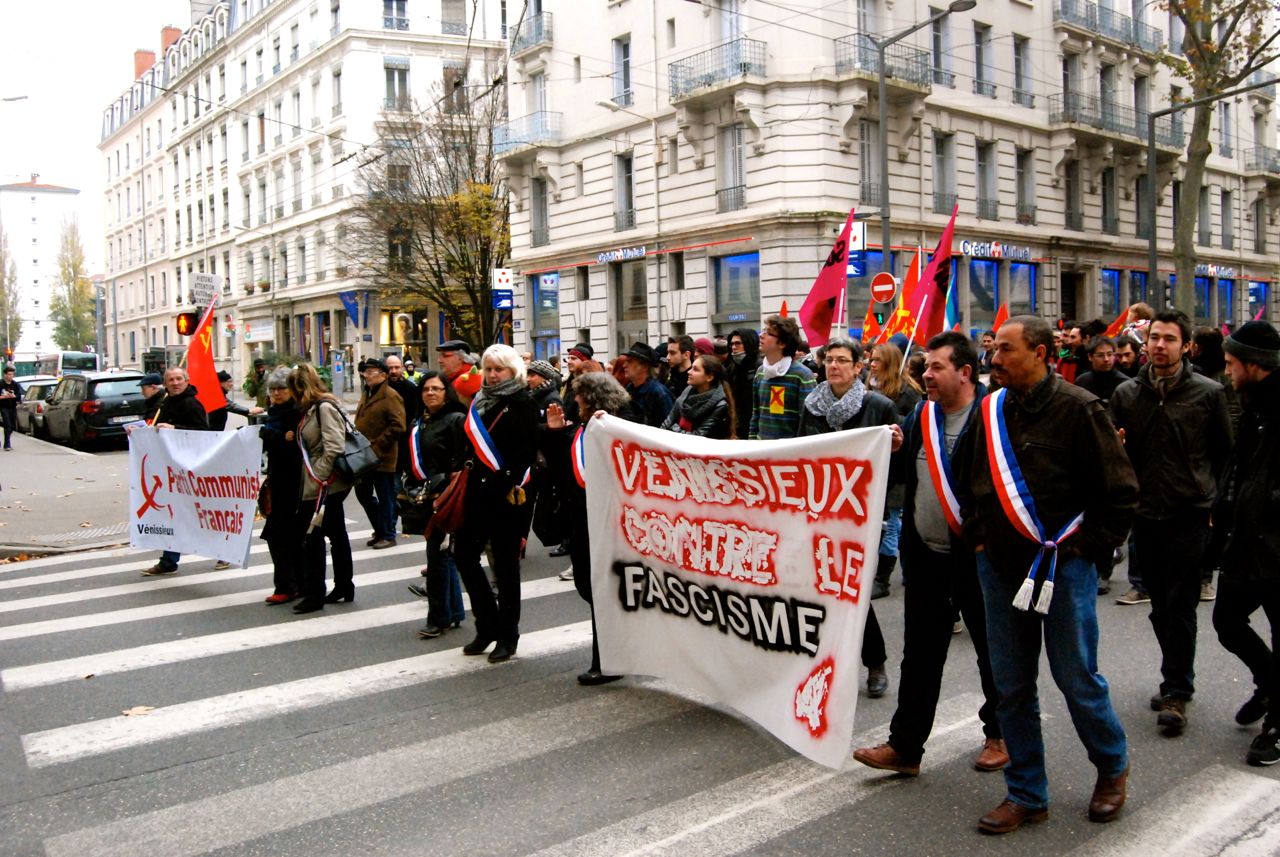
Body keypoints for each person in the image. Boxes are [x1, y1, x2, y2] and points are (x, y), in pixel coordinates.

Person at [963, 315, 1137, 834]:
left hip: (1064, 567)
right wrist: (979, 537)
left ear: (1040, 353)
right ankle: (1026, 794)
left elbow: (1120, 491)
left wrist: (1085, 549)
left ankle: (1111, 766)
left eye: (1006, 351)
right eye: (993, 350)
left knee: (1076, 678)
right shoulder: (991, 410)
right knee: (1011, 686)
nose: (994, 360)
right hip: (1000, 568)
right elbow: (970, 478)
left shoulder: (1079, 408)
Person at [853, 331, 1008, 778]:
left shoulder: (995, 414)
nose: (926, 374)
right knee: (920, 655)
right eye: (923, 366)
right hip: (925, 556)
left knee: (991, 652)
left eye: (936, 367)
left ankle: (1000, 735)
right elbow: (909, 478)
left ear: (965, 371)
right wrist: (895, 451)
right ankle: (906, 747)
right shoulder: (922, 413)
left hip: (979, 559)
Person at [1109, 310, 1232, 735]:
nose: (1160, 345)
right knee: (1160, 606)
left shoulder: (1208, 393)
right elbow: (1112, 450)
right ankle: (1174, 677)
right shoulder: (1127, 394)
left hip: (1189, 512)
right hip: (1145, 514)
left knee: (1180, 605)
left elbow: (1223, 453)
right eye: (1155, 338)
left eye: (1169, 339)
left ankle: (1177, 690)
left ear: (1186, 347)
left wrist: (1214, 500)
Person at [797, 337, 903, 699]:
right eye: (829, 360)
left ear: (859, 367)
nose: (833, 366)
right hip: (819, 510)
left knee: (852, 588)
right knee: (818, 589)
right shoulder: (810, 406)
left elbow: (899, 466)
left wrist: (895, 446)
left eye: (842, 360)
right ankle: (822, 662)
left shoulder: (879, 407)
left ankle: (875, 662)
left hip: (861, 514)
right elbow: (798, 456)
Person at [1210, 321, 1280, 765]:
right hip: (1244, 540)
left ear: (1254, 366)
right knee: (1227, 621)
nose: (1227, 371)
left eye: (1232, 363)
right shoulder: (1252, 403)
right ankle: (1271, 684)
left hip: (1276, 542)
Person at [545, 371, 633, 684]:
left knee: (600, 589)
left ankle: (606, 661)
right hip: (579, 519)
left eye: (580, 395)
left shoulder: (618, 424)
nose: (574, 401)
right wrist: (556, 434)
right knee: (587, 585)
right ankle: (613, 653)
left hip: (607, 521)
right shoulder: (582, 428)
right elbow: (562, 471)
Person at [454, 344, 539, 663]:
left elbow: (526, 453)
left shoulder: (522, 402)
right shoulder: (479, 400)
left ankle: (508, 635)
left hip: (505, 496)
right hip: (475, 493)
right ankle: (486, 624)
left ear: (512, 370)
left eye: (498, 369)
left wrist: (503, 481)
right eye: (488, 369)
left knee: (505, 569)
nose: (491, 374)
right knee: (463, 555)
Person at [406, 371, 468, 638]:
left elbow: (462, 459)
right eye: (426, 389)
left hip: (446, 496)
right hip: (426, 495)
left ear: (447, 392)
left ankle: (438, 618)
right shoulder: (421, 422)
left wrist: (447, 486)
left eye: (436, 389)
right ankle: (453, 612)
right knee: (442, 556)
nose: (430, 393)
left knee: (437, 556)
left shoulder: (455, 420)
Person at [290, 363, 354, 614]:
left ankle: (315, 593)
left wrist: (319, 476)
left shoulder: (324, 408)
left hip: (323, 484)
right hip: (324, 482)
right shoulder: (316, 408)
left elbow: (334, 446)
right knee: (336, 535)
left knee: (312, 537)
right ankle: (343, 586)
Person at [141, 367, 213, 577]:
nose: (175, 382)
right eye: (171, 379)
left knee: (197, 514)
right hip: (172, 468)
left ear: (187, 381)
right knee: (174, 513)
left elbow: (204, 434)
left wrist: (175, 429)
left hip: (190, 468)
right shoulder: (166, 403)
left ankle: (223, 552)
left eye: (179, 378)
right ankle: (168, 560)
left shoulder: (192, 404)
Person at [868, 342, 923, 600]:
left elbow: (913, 430)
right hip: (876, 468)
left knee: (890, 522)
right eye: (871, 359)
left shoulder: (907, 393)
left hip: (897, 469)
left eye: (877, 360)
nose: (871, 364)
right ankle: (911, 562)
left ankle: (883, 579)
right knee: (894, 522)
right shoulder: (869, 389)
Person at [257, 367, 303, 604]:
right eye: (272, 389)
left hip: (293, 483)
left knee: (281, 536)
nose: (276, 393)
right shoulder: (274, 413)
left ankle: (287, 585)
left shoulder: (296, 413)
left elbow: (295, 444)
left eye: (281, 388)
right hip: (279, 480)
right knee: (284, 536)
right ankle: (293, 583)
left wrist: (268, 435)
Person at [353, 358, 406, 549]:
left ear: (383, 376)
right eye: (365, 372)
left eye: (371, 372)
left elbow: (398, 426)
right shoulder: (367, 393)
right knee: (363, 494)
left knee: (385, 497)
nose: (367, 375)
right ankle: (380, 528)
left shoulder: (390, 395)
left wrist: (377, 445)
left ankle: (388, 535)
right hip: (364, 456)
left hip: (382, 457)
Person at [749, 315, 815, 439]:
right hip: (761, 450)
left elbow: (808, 422)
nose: (761, 335)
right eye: (763, 331)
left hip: (788, 452)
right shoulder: (760, 372)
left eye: (769, 333)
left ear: (782, 343)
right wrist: (752, 441)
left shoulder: (802, 375)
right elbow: (756, 413)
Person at [659, 353, 734, 438]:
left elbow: (697, 437)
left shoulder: (720, 405)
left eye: (695, 369)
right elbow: (666, 424)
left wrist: (674, 428)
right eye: (691, 368)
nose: (689, 372)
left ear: (709, 377)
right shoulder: (685, 394)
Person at [620, 342, 674, 427]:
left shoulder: (659, 394)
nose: (624, 365)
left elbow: (667, 428)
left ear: (644, 366)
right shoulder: (629, 389)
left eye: (629, 361)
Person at [726, 327, 761, 440]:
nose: (734, 347)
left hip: (755, 427)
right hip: (737, 427)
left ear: (749, 344)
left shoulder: (760, 368)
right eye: (732, 344)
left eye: (738, 343)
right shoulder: (731, 368)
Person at [1075, 336, 1126, 408]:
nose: (1106, 359)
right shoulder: (1081, 382)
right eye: (1100, 355)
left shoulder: (1124, 383)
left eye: (1109, 354)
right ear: (1090, 357)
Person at [665, 334, 695, 400]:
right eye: (668, 353)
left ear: (686, 355)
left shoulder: (695, 380)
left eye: (672, 353)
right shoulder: (669, 375)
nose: (667, 357)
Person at [0, 365, 24, 450]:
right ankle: (7, 444)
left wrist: (14, 396)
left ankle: (7, 440)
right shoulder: (1, 383)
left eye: (12, 374)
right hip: (3, 407)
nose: (11, 376)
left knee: (13, 426)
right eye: (9, 374)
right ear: (5, 375)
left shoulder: (15, 384)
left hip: (12, 407)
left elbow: (19, 396)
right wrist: (4, 397)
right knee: (7, 424)